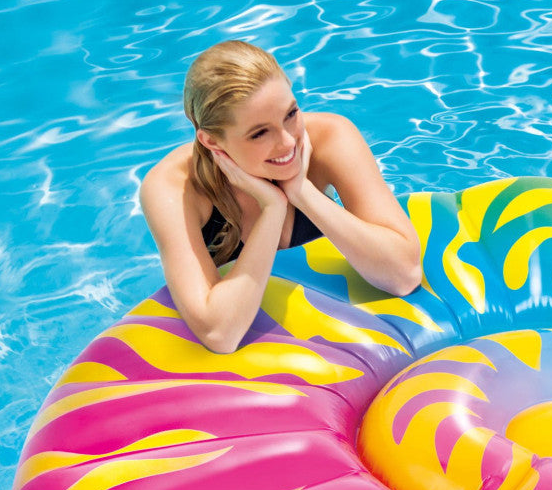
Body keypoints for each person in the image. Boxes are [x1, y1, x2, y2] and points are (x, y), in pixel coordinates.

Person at [140, 40, 421, 354]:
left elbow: (404, 275)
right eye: (260, 133)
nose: (288, 142)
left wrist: (302, 193)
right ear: (212, 141)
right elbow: (220, 334)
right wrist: (273, 208)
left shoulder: (330, 137)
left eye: (291, 114)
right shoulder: (175, 188)